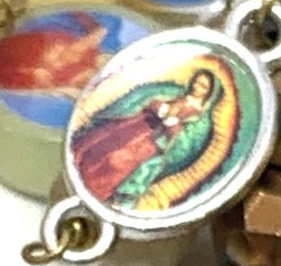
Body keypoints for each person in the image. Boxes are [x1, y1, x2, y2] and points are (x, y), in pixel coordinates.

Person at [72, 67, 224, 207]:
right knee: (106, 143)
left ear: (210, 93)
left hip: (156, 144)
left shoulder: (201, 119)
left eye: (203, 86)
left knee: (118, 160)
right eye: (197, 82)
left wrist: (173, 126)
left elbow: (186, 144)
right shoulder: (176, 93)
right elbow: (149, 98)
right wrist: (159, 107)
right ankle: (80, 170)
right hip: (142, 126)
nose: (197, 87)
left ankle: (97, 190)